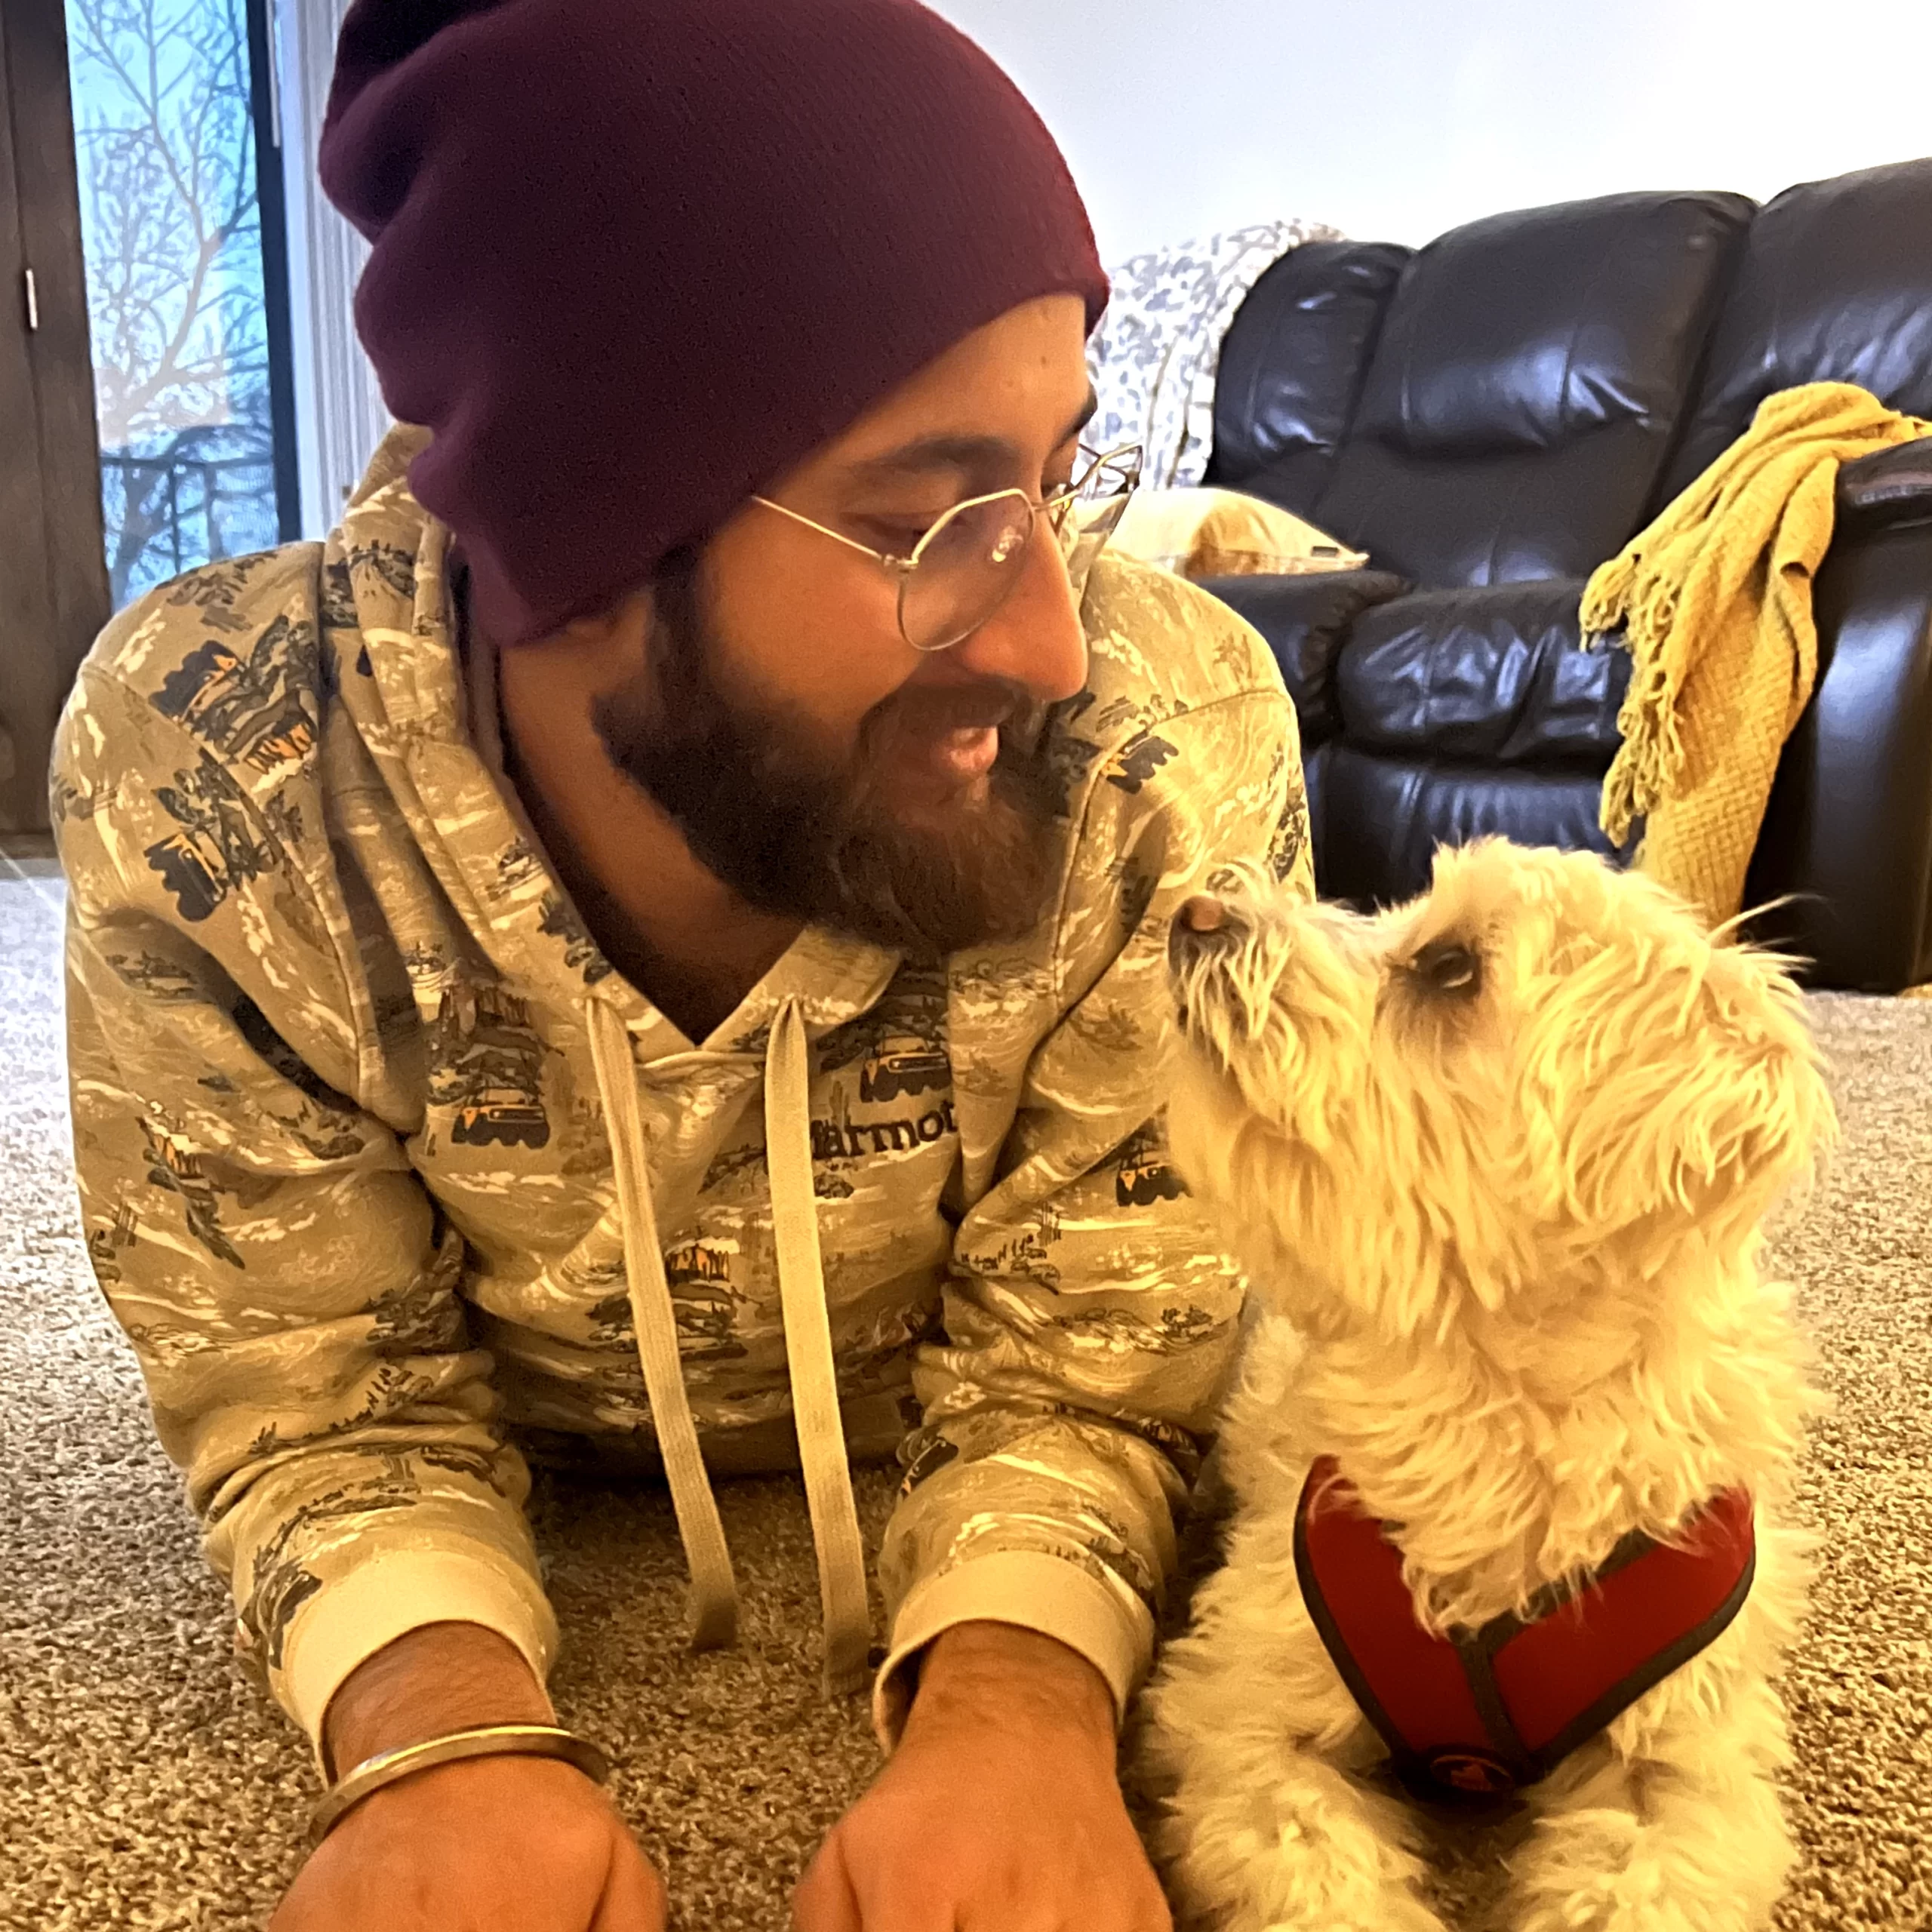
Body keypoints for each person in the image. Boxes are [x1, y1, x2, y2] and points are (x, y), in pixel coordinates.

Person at [51, 1, 1310, 1927]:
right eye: (930, 515)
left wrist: (1016, 1705)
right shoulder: (216, 762)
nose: (1052, 633)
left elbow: (1108, 1350)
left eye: (1054, 477)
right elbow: (304, 1382)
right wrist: (438, 1738)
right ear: (581, 537)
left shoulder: (1164, 730)